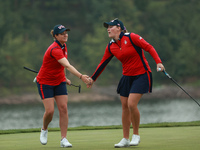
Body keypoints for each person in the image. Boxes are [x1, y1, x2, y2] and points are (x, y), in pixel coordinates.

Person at [87, 18, 165, 148]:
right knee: (124, 107)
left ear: (119, 28)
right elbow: (103, 63)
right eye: (107, 27)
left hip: (142, 74)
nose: (108, 29)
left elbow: (149, 47)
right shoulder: (111, 45)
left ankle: (136, 135)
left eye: (111, 26)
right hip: (127, 77)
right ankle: (125, 138)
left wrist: (158, 62)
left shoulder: (131, 37)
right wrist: (93, 79)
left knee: (131, 104)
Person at [36, 24, 90, 148]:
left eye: (66, 32)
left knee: (63, 109)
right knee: (50, 111)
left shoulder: (64, 46)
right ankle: (44, 129)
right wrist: (81, 76)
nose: (65, 35)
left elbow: (61, 65)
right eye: (62, 33)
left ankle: (63, 139)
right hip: (45, 82)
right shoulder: (54, 49)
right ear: (55, 36)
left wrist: (64, 78)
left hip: (59, 81)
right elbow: (67, 65)